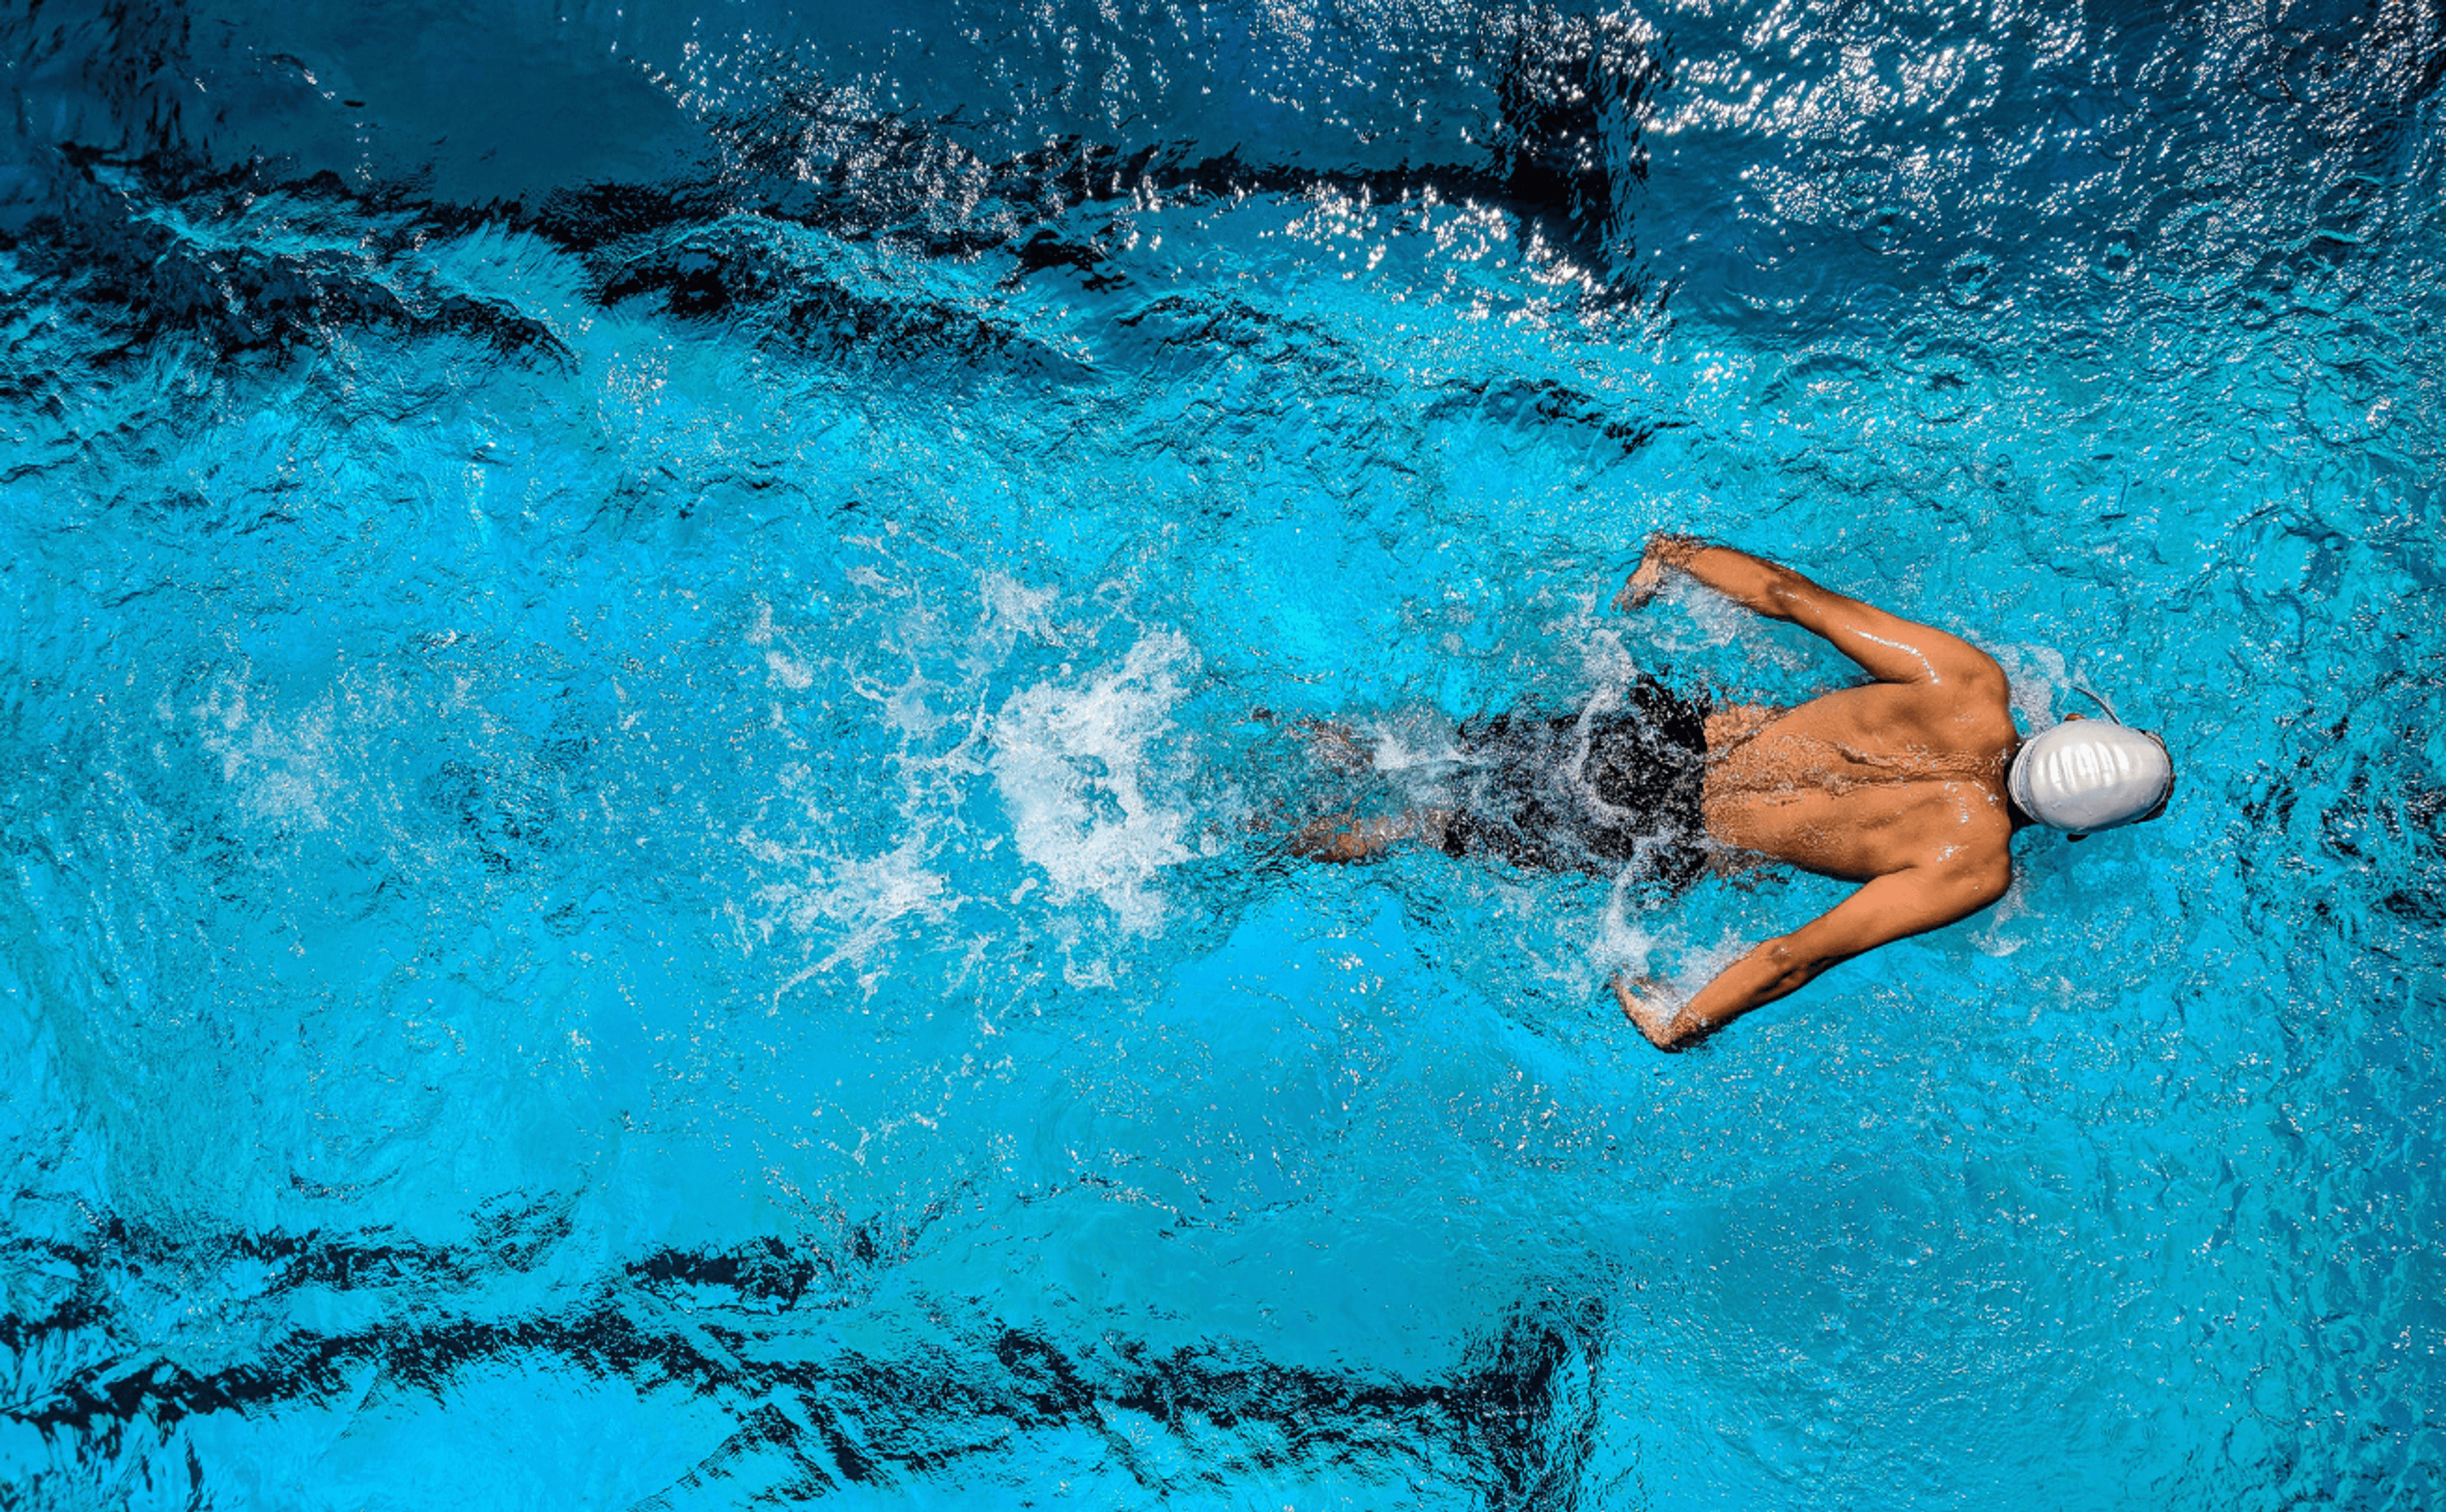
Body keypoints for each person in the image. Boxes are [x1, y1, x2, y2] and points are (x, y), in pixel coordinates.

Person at [1295, 535, 2175, 1051]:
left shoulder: (1970, 681)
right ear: (2081, 830)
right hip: (1663, 832)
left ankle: (1295, 731)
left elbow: (1794, 597)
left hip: (1653, 732)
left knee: (1424, 749)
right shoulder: (1974, 865)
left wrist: (1677, 555)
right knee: (1423, 826)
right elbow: (1799, 954)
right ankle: (1263, 837)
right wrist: (1686, 1020)